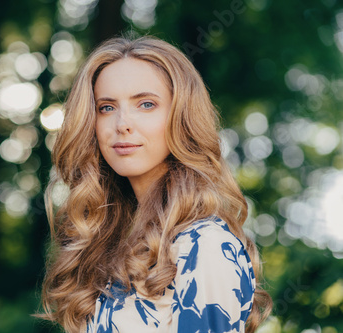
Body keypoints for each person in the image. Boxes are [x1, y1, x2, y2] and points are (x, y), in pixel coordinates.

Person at [39, 35, 272, 333]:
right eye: (106, 107)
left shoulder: (204, 245)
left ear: (182, 117)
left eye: (146, 104)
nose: (122, 123)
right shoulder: (109, 244)